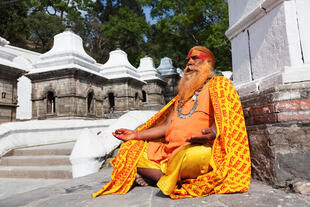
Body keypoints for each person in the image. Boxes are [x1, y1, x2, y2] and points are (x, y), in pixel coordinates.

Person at [92, 46, 251, 199]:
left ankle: (158, 178)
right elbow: (167, 126)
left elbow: (227, 119)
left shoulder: (219, 85)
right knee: (129, 150)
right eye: (188, 60)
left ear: (208, 62)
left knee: (193, 156)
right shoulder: (182, 97)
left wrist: (213, 132)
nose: (189, 63)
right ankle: (171, 178)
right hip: (168, 152)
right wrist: (136, 134)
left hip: (197, 150)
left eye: (195, 58)